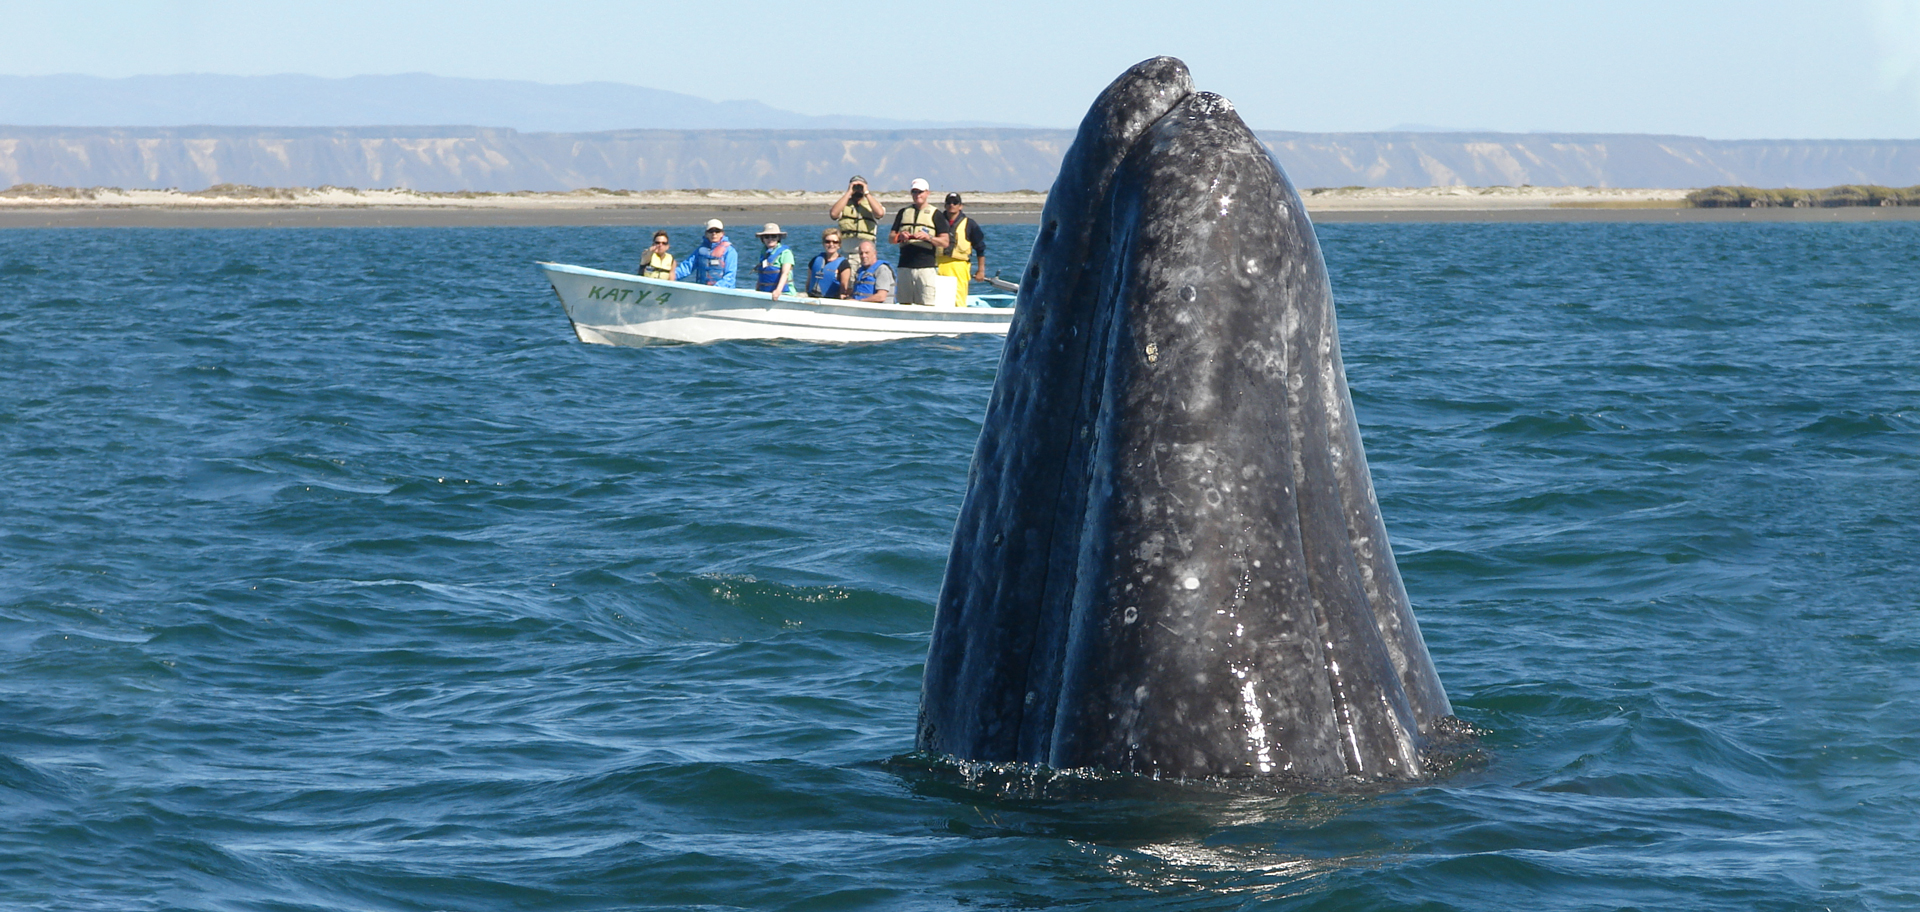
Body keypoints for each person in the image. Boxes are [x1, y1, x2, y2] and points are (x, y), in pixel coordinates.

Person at [889, 177, 949, 305]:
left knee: (926, 303)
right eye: (914, 192)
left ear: (927, 193)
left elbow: (945, 242)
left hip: (925, 267)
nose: (917, 195)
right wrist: (900, 236)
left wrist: (929, 238)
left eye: (920, 192)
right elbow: (891, 238)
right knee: (904, 303)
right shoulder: (903, 212)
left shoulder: (936, 214)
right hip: (905, 266)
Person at [936, 192, 988, 307]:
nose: (952, 205)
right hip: (938, 264)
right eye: (949, 203)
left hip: (959, 266)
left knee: (958, 298)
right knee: (937, 298)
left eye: (955, 203)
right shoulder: (937, 221)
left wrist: (981, 270)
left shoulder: (970, 224)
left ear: (960, 206)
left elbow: (980, 248)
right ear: (945, 205)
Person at [674, 218, 737, 287]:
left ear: (722, 233)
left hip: (722, 290)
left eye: (717, 231)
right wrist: (671, 276)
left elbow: (730, 276)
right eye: (711, 231)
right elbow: (687, 267)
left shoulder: (730, 251)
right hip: (703, 289)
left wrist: (717, 287)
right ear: (706, 234)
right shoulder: (700, 250)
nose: (714, 234)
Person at [829, 175, 886, 248]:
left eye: (860, 186)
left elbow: (880, 213)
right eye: (855, 186)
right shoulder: (843, 205)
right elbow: (833, 214)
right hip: (846, 250)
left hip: (867, 250)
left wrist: (866, 193)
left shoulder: (871, 205)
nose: (858, 189)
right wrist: (849, 192)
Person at [753, 223, 794, 300]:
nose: (770, 239)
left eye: (773, 236)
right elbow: (763, 271)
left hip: (784, 293)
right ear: (762, 239)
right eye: (767, 237)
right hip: (766, 292)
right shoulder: (764, 252)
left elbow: (785, 273)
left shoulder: (786, 253)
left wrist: (778, 291)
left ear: (778, 238)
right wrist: (757, 288)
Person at [808, 229, 847, 298]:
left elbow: (843, 289)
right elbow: (808, 282)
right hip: (813, 297)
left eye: (835, 242)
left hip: (831, 300)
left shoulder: (844, 264)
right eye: (827, 242)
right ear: (823, 243)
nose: (831, 244)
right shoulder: (814, 260)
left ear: (839, 245)